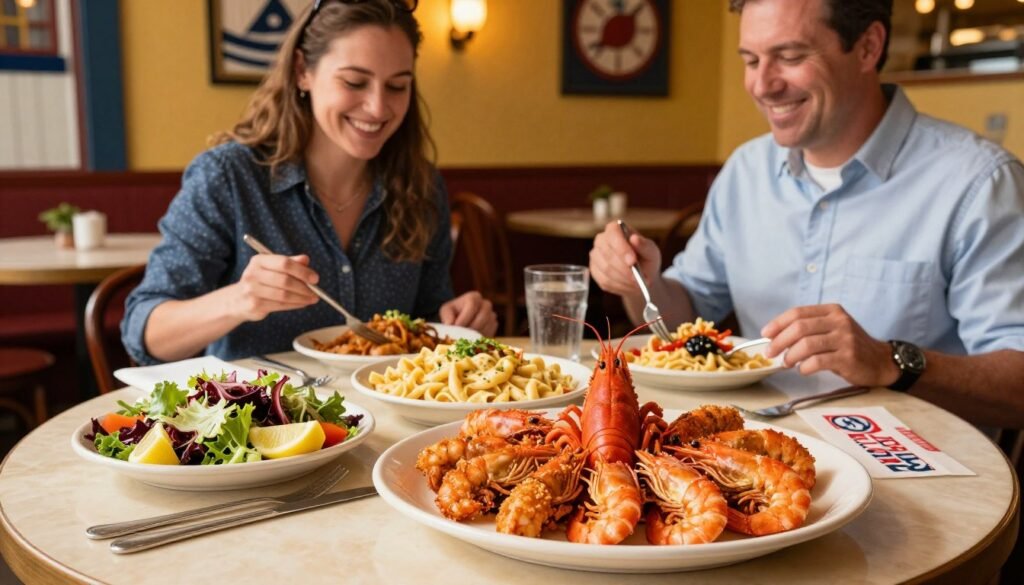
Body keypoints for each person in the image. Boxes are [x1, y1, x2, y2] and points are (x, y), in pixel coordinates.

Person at [589, 0, 1024, 421]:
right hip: (764, 453)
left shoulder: (980, 182)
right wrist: (640, 283)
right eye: (751, 60)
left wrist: (891, 361)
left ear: (869, 47)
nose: (762, 85)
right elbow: (684, 313)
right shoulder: (746, 170)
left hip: (924, 472)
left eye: (790, 56)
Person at [123, 0, 497, 365]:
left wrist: (459, 318)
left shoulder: (422, 186)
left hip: (392, 423)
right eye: (355, 81)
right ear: (303, 70)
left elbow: (428, 319)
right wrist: (239, 300)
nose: (379, 107)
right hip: (263, 420)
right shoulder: (228, 177)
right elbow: (144, 333)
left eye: (397, 86)